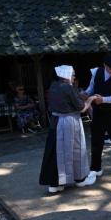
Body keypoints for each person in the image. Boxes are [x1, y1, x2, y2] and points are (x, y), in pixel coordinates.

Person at [39, 65, 96, 193]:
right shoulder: (68, 88)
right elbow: (81, 107)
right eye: (73, 74)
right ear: (66, 75)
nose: (74, 76)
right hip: (69, 121)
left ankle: (55, 184)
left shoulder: (53, 86)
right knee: (76, 149)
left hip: (55, 122)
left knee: (55, 152)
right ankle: (80, 179)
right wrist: (91, 99)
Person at [81, 55, 111, 186]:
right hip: (98, 112)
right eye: (109, 68)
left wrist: (104, 99)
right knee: (96, 140)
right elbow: (91, 87)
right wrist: (86, 93)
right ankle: (96, 168)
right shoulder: (96, 72)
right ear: (104, 65)